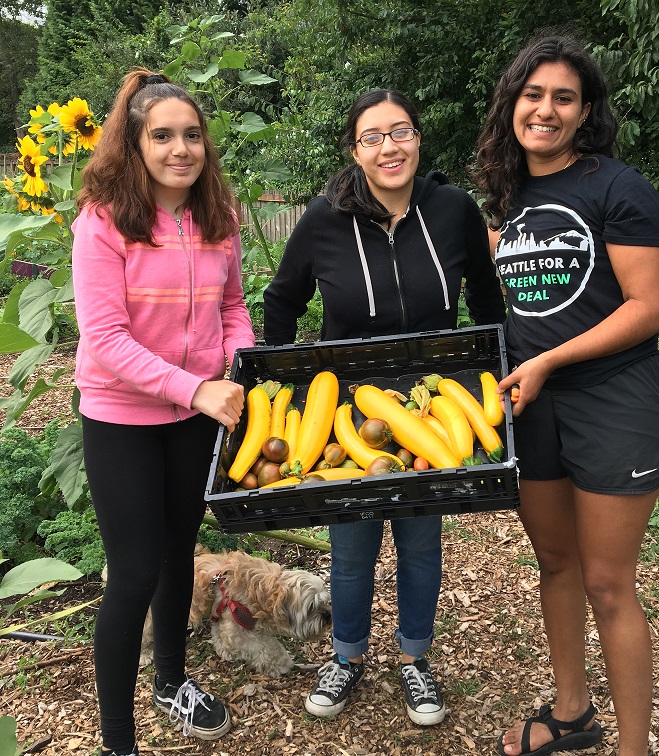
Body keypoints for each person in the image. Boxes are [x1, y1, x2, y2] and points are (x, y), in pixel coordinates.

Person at [263, 89, 506, 725]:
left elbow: (484, 294)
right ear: (355, 151)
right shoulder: (323, 219)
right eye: (372, 137)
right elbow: (282, 298)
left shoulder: (452, 209)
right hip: (346, 405)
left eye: (400, 132)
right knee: (352, 541)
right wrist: (280, 385)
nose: (388, 146)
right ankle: (345, 656)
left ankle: (415, 660)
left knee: (421, 540)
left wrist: (492, 371)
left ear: (419, 140)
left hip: (432, 402)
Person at [475, 32, 659, 756]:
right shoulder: (508, 199)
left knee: (608, 583)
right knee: (555, 563)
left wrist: (552, 358)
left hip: (611, 397)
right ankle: (571, 712)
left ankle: (634, 748)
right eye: (534, 95)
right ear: (513, 103)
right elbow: (515, 305)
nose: (546, 110)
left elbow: (649, 306)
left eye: (564, 98)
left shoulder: (617, 186)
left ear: (585, 112)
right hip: (534, 402)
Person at [72, 68, 255, 756]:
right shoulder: (103, 222)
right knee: (136, 570)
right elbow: (106, 339)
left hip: (195, 418)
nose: (181, 149)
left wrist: (236, 366)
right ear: (134, 143)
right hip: (122, 418)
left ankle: (172, 680)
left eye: (192, 135)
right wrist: (194, 386)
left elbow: (233, 308)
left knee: (181, 555)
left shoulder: (219, 217)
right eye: (163, 136)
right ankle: (118, 740)